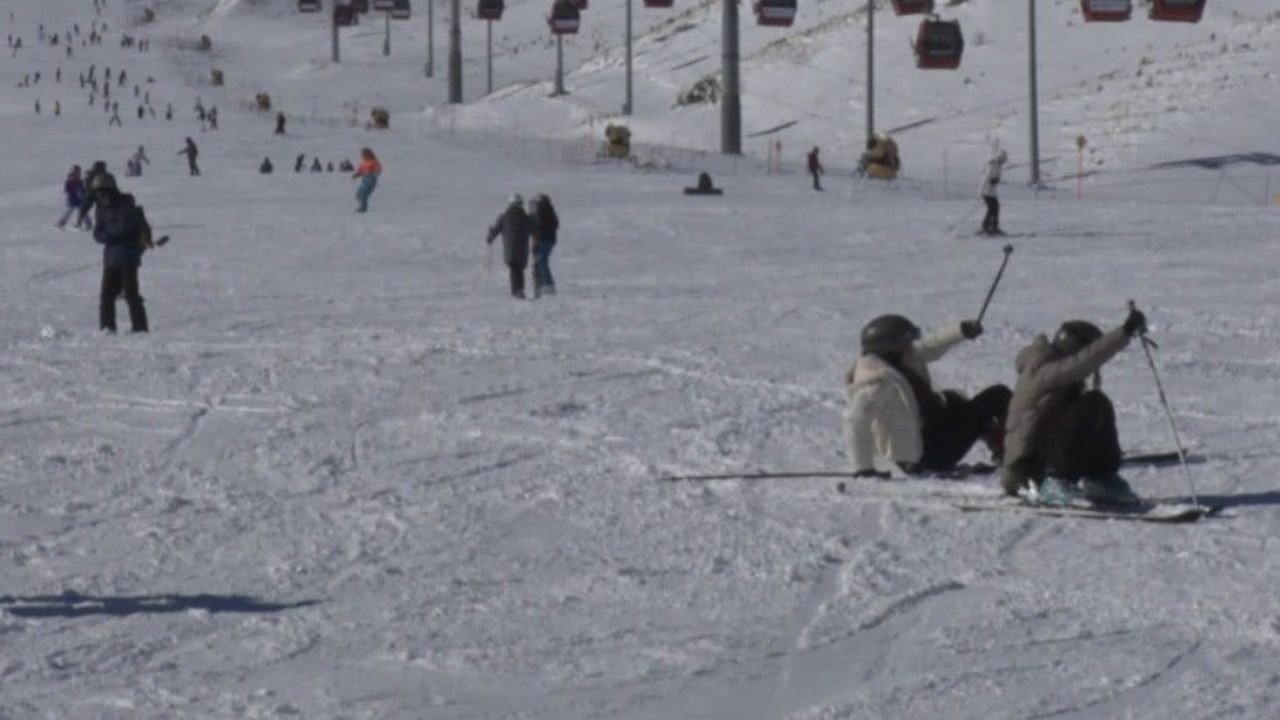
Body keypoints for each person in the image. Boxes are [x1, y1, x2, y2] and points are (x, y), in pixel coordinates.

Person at [1001, 308, 1149, 505]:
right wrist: (1124, 332)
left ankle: (1101, 478)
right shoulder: (1041, 369)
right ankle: (1054, 482)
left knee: (1097, 406)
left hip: (1039, 457)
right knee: (1093, 404)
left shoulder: (1058, 376)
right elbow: (1082, 363)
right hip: (1025, 469)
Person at [844, 314, 1010, 477]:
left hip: (925, 437)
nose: (912, 346)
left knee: (953, 400)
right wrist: (863, 469)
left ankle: (1000, 439)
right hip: (923, 458)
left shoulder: (898, 360)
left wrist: (961, 331)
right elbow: (855, 422)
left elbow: (931, 346)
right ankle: (1015, 453)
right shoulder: (878, 383)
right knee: (997, 397)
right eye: (907, 343)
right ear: (892, 347)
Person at [90, 174, 151, 333]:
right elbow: (98, 231)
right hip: (111, 258)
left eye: (103, 192)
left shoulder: (125, 205)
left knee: (131, 293)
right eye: (98, 193)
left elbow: (124, 227)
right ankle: (107, 327)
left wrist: (110, 234)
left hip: (128, 256)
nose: (101, 197)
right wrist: (103, 236)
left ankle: (140, 327)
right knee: (106, 296)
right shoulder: (101, 209)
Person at [486, 195, 533, 299]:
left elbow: (495, 230)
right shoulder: (526, 218)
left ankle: (516, 291)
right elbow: (534, 229)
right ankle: (519, 290)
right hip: (522, 249)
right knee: (519, 269)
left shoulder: (504, 217)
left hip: (510, 249)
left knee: (514, 269)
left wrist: (490, 237)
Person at [528, 194, 559, 298]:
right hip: (550, 240)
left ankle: (547, 285)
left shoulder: (541, 209)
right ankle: (547, 284)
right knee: (542, 262)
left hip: (542, 239)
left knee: (542, 262)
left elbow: (537, 225)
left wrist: (535, 237)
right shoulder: (551, 210)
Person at [77, 160, 116, 227]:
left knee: (96, 209)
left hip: (96, 194)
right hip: (99, 194)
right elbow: (114, 187)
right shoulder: (107, 175)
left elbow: (88, 186)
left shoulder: (94, 175)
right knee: (103, 209)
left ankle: (80, 220)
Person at [979, 150, 1007, 235]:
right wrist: (997, 180)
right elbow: (992, 180)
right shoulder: (994, 165)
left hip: (989, 191)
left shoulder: (996, 165)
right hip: (987, 190)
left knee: (993, 208)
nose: (1003, 162)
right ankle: (990, 227)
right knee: (994, 208)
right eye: (1003, 160)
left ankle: (989, 226)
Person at [351, 148, 381, 213]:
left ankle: (363, 208)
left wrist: (375, 174)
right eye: (362, 154)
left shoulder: (373, 161)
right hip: (364, 179)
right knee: (358, 195)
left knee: (364, 194)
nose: (363, 155)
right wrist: (356, 175)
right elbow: (361, 171)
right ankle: (362, 205)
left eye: (364, 153)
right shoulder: (363, 162)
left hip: (371, 179)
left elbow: (378, 168)